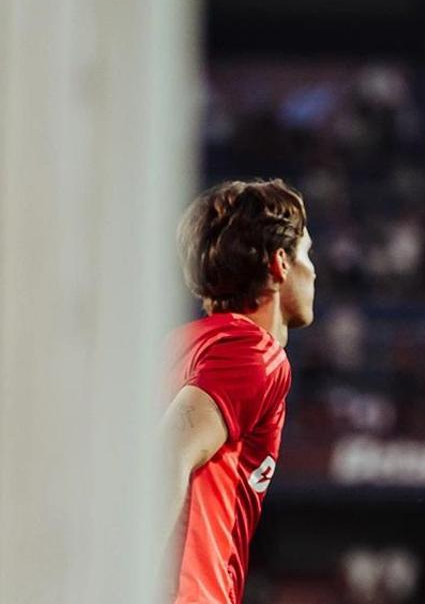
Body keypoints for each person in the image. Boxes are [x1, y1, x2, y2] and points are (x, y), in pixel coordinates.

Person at [161, 179, 316, 603]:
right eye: (307, 254)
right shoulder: (253, 351)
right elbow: (168, 453)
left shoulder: (174, 347)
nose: (313, 270)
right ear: (280, 263)